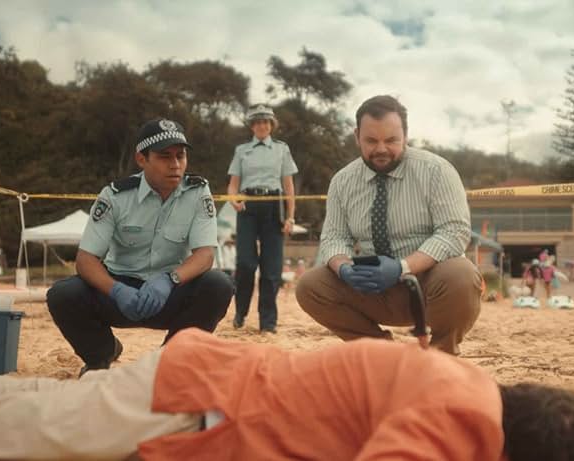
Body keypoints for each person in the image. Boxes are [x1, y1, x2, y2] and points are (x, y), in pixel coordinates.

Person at [0, 328, 574, 461]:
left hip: (193, 385)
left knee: (25, 401)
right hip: (188, 405)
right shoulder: (466, 421)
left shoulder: (471, 387)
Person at [46, 118, 234, 375]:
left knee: (218, 285)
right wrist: (116, 290)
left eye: (181, 156)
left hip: (170, 290)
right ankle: (101, 355)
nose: (176, 164)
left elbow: (205, 255)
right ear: (141, 159)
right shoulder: (115, 196)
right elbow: (86, 259)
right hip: (119, 291)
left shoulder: (198, 192)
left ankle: (170, 362)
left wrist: (170, 279)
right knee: (63, 294)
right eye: (164, 156)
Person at [296, 95, 481, 355]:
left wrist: (401, 267)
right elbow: (333, 238)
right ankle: (383, 353)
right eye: (371, 140)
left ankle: (442, 355)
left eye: (391, 140)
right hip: (372, 287)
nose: (381, 149)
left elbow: (454, 233)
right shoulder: (342, 182)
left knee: (462, 275)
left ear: (405, 135)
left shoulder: (437, 171)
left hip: (429, 283)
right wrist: (344, 268)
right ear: (356, 136)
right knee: (310, 286)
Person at [227, 104, 298, 333]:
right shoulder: (241, 150)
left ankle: (268, 322)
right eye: (257, 122)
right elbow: (233, 184)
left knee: (272, 269)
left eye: (265, 122)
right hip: (248, 206)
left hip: (273, 206)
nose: (261, 126)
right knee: (246, 264)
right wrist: (233, 199)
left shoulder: (281, 149)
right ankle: (240, 313)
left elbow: (288, 186)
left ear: (271, 125)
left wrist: (290, 217)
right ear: (252, 126)